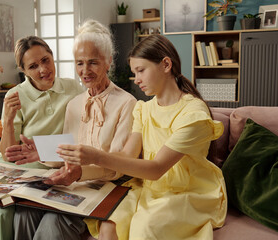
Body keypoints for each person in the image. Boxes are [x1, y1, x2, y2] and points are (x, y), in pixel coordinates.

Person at [57, 34, 228, 240]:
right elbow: (127, 155)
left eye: (141, 71)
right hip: (148, 188)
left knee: (144, 230)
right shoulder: (143, 109)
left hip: (185, 192)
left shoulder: (193, 115)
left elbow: (156, 169)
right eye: (134, 72)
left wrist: (96, 156)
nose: (136, 79)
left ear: (166, 65)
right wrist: (80, 170)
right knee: (109, 226)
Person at [5, 19, 137, 240]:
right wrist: (43, 153)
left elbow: (118, 167)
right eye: (79, 63)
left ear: (108, 61)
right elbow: (69, 152)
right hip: (73, 183)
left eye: (93, 62)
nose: (85, 71)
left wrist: (79, 173)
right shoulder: (74, 103)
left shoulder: (127, 103)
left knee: (53, 223)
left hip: (105, 188)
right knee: (23, 212)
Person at [0, 36, 83, 240]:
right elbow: (8, 154)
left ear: (52, 57)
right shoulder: (14, 95)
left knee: (3, 210)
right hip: (12, 165)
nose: (43, 70)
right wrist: (8, 121)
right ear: (24, 70)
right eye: (33, 66)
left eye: (45, 60)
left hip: (44, 166)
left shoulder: (73, 88)